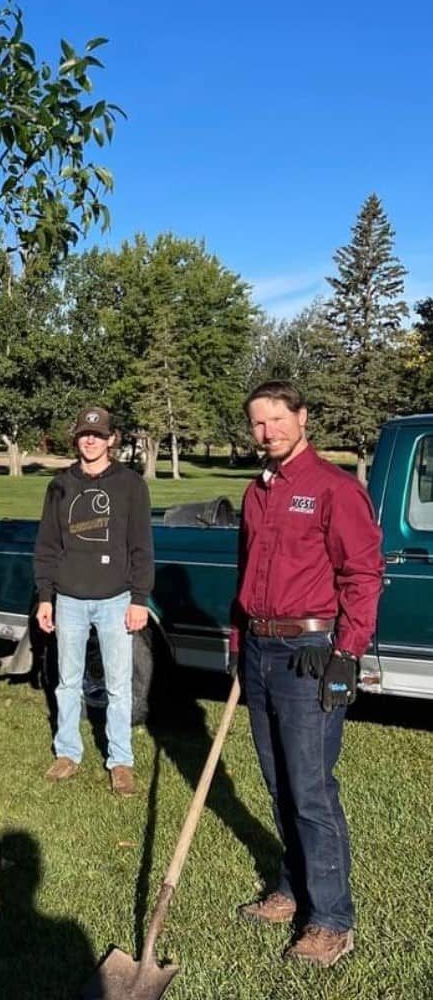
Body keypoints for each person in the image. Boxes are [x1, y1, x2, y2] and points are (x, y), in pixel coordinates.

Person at [232, 380, 383, 968]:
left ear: (302, 418)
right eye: (257, 424)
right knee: (278, 785)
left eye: (276, 420)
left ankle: (331, 920)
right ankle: (292, 889)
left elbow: (362, 577)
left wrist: (346, 653)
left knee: (311, 790)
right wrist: (238, 639)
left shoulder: (334, 490)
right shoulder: (256, 492)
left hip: (311, 655)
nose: (267, 432)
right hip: (260, 651)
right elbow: (247, 573)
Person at [32, 406, 153, 797]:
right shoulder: (60, 485)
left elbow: (141, 546)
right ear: (77, 438)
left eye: (98, 435)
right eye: (85, 433)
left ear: (111, 439)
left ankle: (120, 761)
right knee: (68, 682)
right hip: (69, 598)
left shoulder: (130, 484)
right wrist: (45, 597)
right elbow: (47, 546)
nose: (90, 440)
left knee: (119, 685)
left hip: (115, 598)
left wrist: (139, 598)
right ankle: (68, 752)